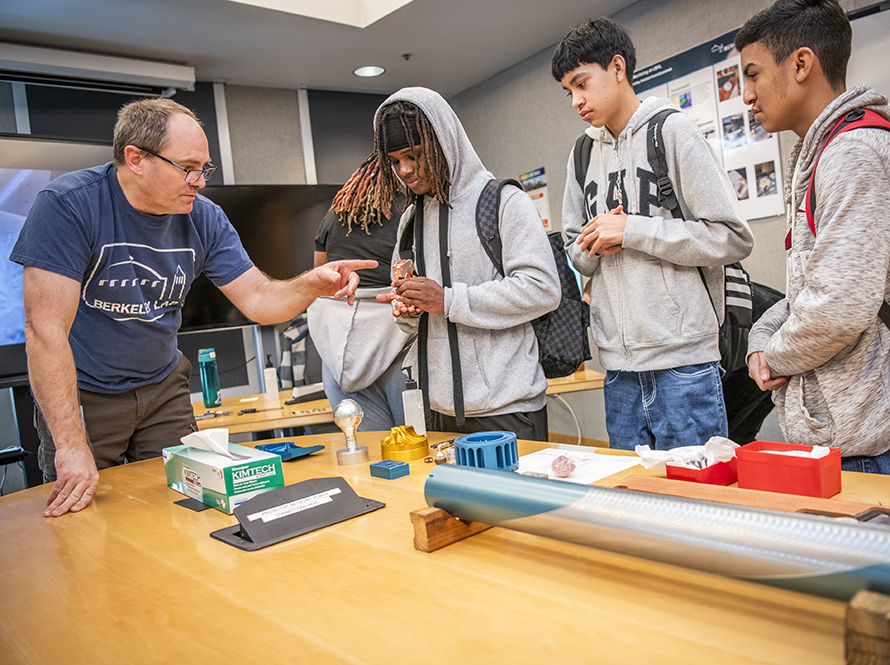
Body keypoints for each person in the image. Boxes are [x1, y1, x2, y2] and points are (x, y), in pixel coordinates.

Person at [10, 98, 375, 517]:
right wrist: (72, 446)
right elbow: (45, 330)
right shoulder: (68, 205)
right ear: (136, 159)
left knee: (186, 509)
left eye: (205, 168)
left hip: (163, 387)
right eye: (188, 167)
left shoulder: (204, 217)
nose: (199, 181)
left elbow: (258, 300)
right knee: (85, 520)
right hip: (86, 394)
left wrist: (312, 283)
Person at [552, 18, 754, 450]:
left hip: (684, 365)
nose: (576, 101)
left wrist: (633, 230)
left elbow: (732, 238)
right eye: (568, 90)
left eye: (582, 83)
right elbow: (574, 252)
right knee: (635, 506)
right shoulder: (583, 153)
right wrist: (592, 245)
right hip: (618, 370)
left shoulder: (672, 131)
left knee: (698, 505)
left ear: (618, 68)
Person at [737, 0, 890, 472]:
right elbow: (813, 286)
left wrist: (774, 357)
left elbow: (838, 308)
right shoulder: (823, 151)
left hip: (870, 444)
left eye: (753, 74)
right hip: (850, 435)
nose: (746, 95)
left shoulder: (852, 153)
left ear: (802, 63)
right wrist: (762, 336)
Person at [373, 87, 560, 441]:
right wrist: (409, 310)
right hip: (438, 411)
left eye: (414, 155)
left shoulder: (504, 201)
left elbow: (542, 290)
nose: (405, 170)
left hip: (508, 409)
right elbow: (414, 327)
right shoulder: (410, 220)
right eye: (395, 161)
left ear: (443, 143)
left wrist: (447, 300)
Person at [308, 156, 413, 431]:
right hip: (395, 341)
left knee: (368, 449)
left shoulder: (332, 216)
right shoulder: (407, 214)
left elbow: (321, 278)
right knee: (412, 443)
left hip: (338, 343)